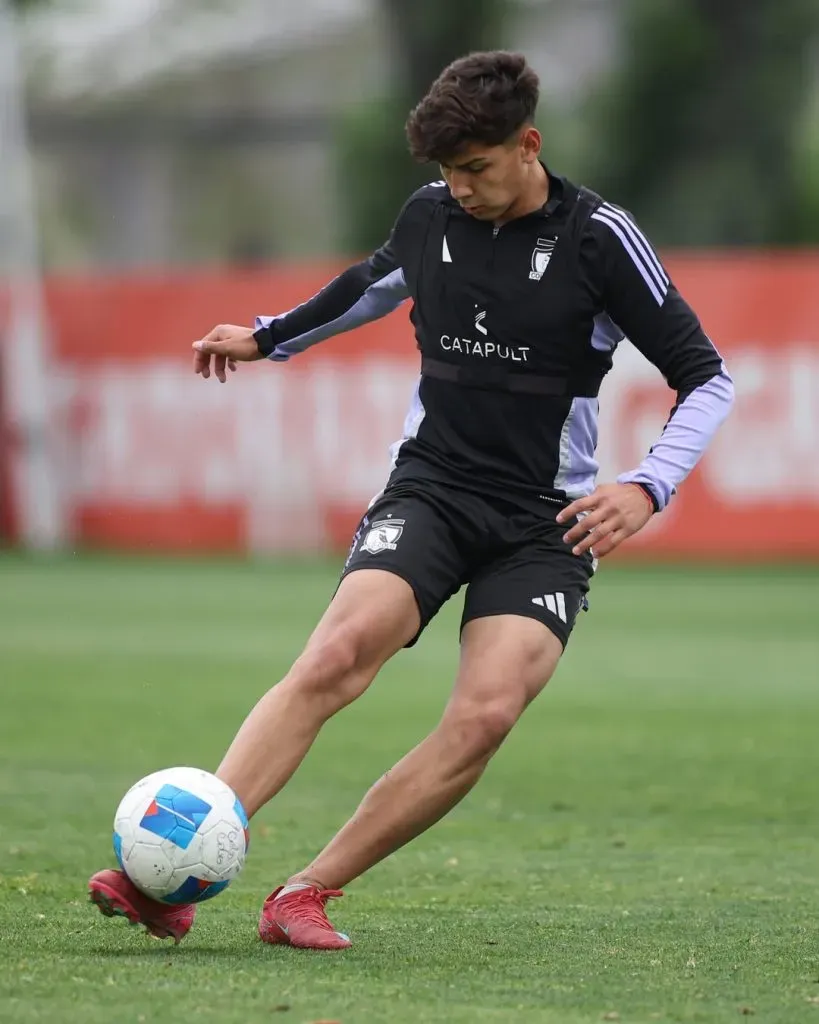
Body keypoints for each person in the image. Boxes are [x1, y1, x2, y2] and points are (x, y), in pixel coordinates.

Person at [88, 50, 734, 949]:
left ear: (527, 145)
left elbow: (705, 378)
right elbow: (371, 285)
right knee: (338, 653)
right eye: (446, 173)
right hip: (432, 487)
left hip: (545, 522)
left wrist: (647, 485)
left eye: (474, 168)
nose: (459, 190)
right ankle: (178, 872)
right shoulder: (431, 215)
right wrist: (266, 338)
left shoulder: (598, 237)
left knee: (484, 716)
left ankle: (304, 894)